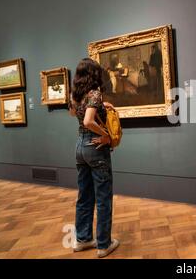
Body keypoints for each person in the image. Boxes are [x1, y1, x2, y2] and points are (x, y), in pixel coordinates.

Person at [69, 58, 120, 258]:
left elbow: (76, 112)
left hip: (79, 147)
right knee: (103, 197)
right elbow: (89, 120)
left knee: (84, 196)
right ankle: (104, 244)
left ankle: (82, 239)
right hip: (95, 147)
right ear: (93, 73)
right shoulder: (94, 93)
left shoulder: (76, 94)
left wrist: (100, 104)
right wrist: (105, 135)